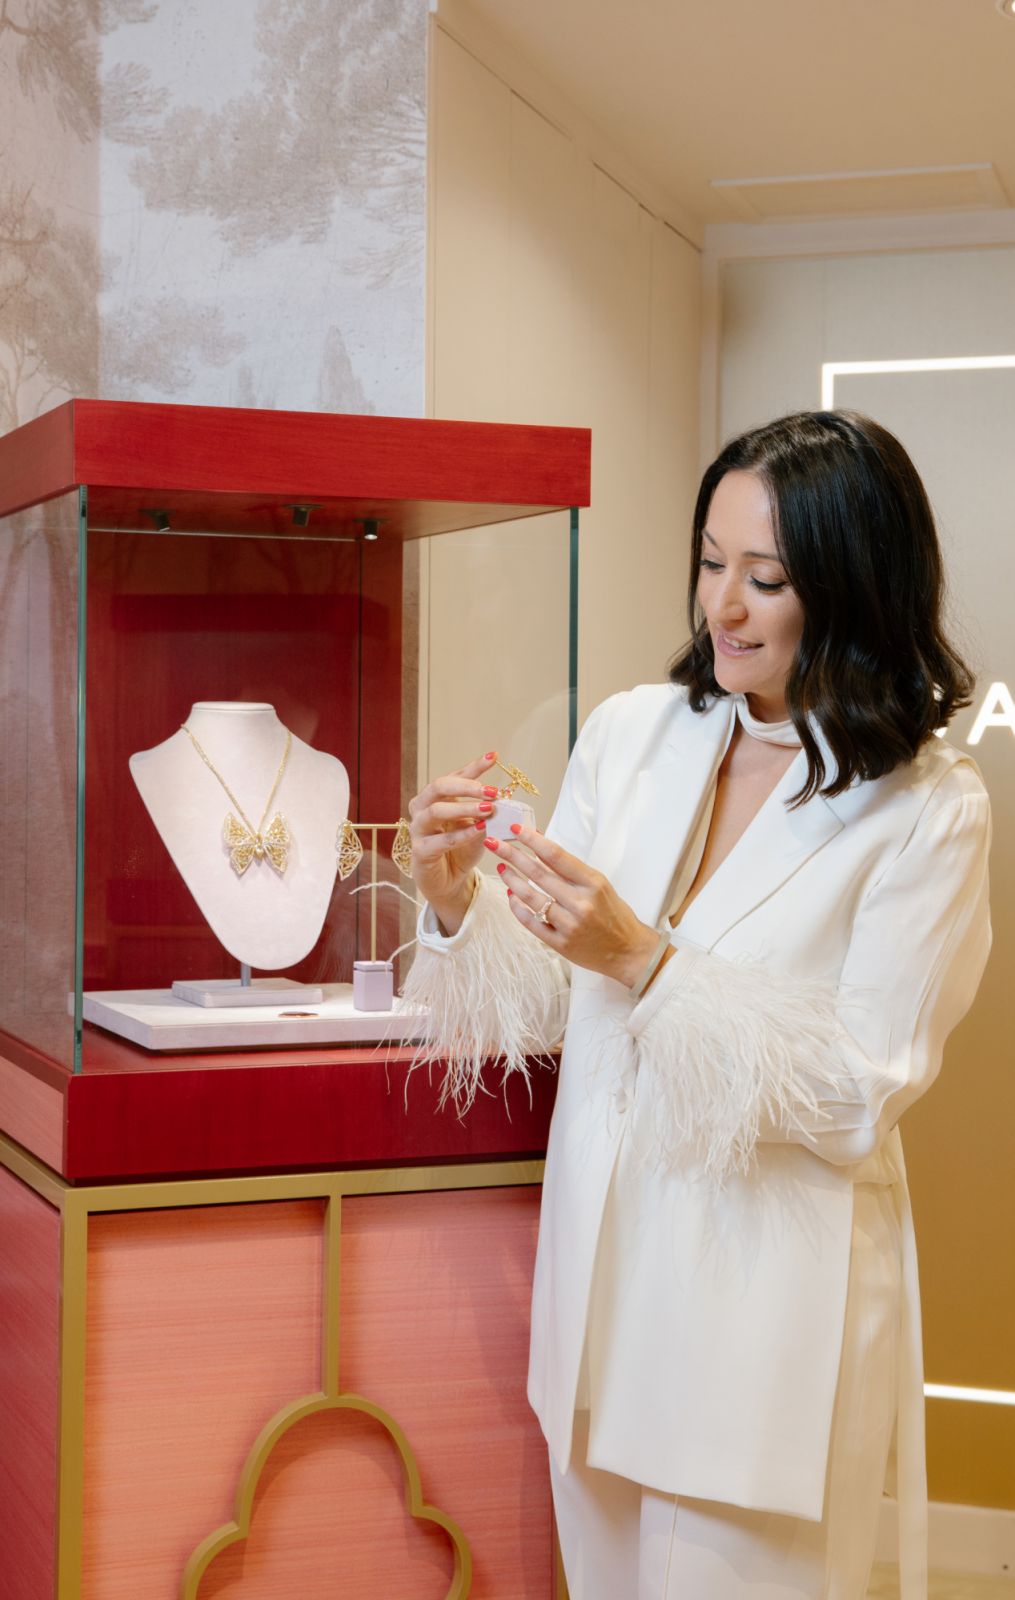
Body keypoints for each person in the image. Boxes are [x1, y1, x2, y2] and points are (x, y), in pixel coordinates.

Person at [402, 411, 992, 1600]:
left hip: (760, 1326)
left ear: (854, 584)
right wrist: (456, 897)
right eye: (710, 563)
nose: (722, 605)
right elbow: (544, 1000)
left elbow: (854, 1089)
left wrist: (648, 963)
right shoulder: (633, 733)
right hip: (600, 1303)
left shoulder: (931, 808)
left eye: (765, 578)